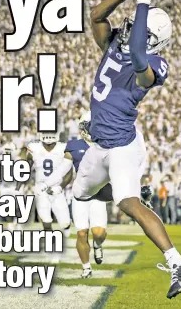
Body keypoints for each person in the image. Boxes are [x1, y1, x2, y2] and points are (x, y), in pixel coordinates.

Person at [72, 0, 181, 298]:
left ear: (152, 37)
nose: (128, 27)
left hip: (123, 146)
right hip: (99, 145)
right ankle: (131, 192)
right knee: (80, 195)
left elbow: (141, 57)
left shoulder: (155, 66)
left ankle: (178, 263)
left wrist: (143, 5)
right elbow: (96, 17)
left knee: (125, 203)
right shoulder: (115, 43)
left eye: (136, 25)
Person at [38, 111, 154, 278]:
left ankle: (98, 245)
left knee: (99, 233)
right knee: (81, 232)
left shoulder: (109, 145)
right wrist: (47, 183)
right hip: (81, 196)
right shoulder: (75, 146)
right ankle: (86, 268)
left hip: (99, 195)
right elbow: (63, 170)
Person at [24, 132, 72, 238]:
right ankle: (51, 242)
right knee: (45, 220)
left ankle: (66, 229)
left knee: (65, 223)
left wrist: (60, 187)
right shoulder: (34, 147)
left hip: (56, 189)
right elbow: (25, 168)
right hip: (41, 189)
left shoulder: (63, 148)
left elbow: (69, 171)